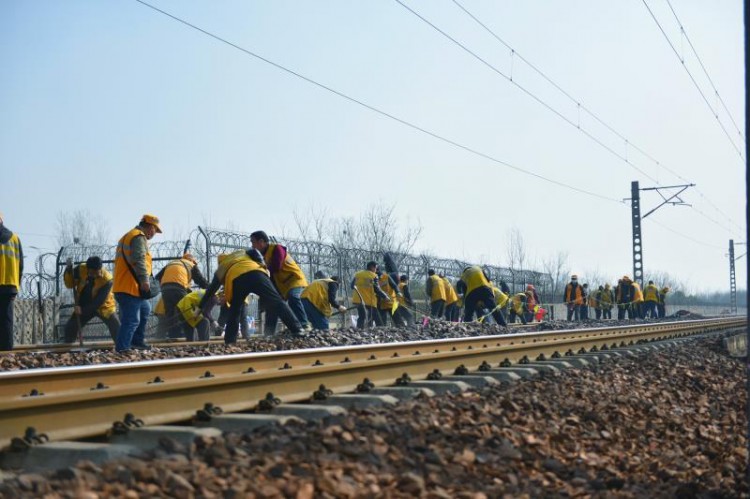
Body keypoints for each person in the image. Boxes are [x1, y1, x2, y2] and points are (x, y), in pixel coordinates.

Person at [200, 249, 302, 343]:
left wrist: (199, 307)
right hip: (257, 273)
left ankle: (230, 341)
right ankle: (297, 330)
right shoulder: (240, 253)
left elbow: (211, 290)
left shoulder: (222, 267)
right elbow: (254, 252)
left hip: (237, 279)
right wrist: (263, 266)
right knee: (276, 301)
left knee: (235, 311)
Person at [113, 214, 162, 352]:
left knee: (145, 309)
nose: (154, 234)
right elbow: (139, 259)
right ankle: (122, 348)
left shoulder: (129, 235)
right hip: (130, 287)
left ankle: (136, 342)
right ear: (151, 227)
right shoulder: (138, 237)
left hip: (125, 285)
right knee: (132, 320)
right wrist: (144, 280)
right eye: (155, 230)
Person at [250, 231, 309, 331]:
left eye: (253, 242)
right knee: (272, 306)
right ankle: (269, 333)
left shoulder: (277, 248)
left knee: (293, 297)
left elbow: (276, 266)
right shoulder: (262, 257)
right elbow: (269, 277)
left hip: (295, 279)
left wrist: (262, 271)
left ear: (261, 242)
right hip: (282, 286)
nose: (252, 246)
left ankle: (304, 324)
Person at [63, 256, 119, 342]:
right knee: (71, 327)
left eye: (97, 272)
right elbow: (69, 284)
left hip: (104, 306)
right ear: (87, 269)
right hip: (83, 304)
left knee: (115, 324)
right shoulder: (81, 269)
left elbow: (98, 302)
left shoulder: (107, 279)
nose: (94, 275)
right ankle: (69, 348)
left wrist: (82, 311)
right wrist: (69, 271)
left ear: (100, 269)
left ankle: (122, 347)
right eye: (92, 273)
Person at [155, 253, 209, 339]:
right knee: (184, 312)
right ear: (192, 261)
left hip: (165, 289)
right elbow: (200, 280)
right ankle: (189, 337)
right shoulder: (191, 265)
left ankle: (174, 337)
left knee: (171, 315)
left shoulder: (172, 263)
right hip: (178, 288)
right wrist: (210, 290)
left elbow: (158, 277)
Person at [0, 213, 23, 351]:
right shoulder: (14, 238)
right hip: (10, 285)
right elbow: (21, 266)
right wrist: (17, 286)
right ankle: (6, 352)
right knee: (6, 320)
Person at [351, 261, 389, 329]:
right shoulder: (373, 276)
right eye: (375, 268)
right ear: (372, 267)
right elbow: (377, 289)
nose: (376, 270)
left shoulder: (357, 274)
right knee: (376, 316)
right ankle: (380, 330)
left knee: (361, 316)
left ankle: (359, 330)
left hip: (357, 299)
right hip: (369, 300)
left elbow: (351, 286)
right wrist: (385, 296)